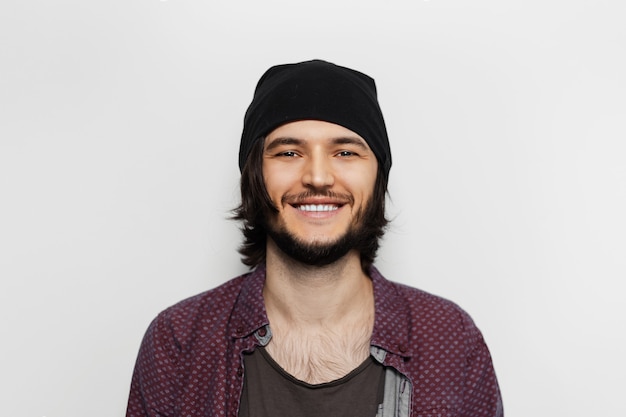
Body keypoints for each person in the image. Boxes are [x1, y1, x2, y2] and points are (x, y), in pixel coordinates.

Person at [126, 59, 503, 417]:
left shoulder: (450, 340)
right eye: (289, 152)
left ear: (377, 179)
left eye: (345, 152)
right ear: (255, 178)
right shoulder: (178, 342)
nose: (318, 177)